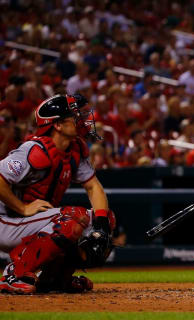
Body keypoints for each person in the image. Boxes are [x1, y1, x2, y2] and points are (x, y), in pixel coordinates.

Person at [0, 94, 115, 294]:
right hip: (6, 220)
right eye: (75, 116)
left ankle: (55, 279)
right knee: (71, 218)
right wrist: (23, 208)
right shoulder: (33, 150)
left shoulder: (74, 150)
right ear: (58, 125)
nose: (82, 119)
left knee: (104, 218)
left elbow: (93, 187)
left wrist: (102, 227)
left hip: (27, 223)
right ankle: (14, 273)